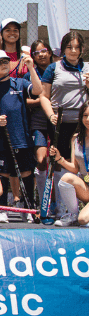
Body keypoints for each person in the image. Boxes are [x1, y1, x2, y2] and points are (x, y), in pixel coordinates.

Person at [0, 49, 45, 223]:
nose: (3, 65)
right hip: (1, 137)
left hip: (22, 137)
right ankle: (2, 209)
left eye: (5, 62)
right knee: (3, 173)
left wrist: (31, 68)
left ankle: (27, 208)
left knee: (26, 172)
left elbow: (38, 90)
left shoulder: (20, 82)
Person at [40, 31, 89, 197]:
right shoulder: (53, 68)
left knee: (78, 161)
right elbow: (43, 96)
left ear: (82, 49)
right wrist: (50, 115)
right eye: (69, 47)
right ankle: (60, 206)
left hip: (82, 124)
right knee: (59, 161)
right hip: (59, 124)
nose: (73, 51)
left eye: (76, 47)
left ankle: (78, 202)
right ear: (63, 49)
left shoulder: (88, 68)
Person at [49, 101, 89, 227]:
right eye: (85, 115)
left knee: (84, 221)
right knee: (65, 178)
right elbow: (75, 168)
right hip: (85, 186)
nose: (88, 119)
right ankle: (73, 215)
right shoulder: (76, 138)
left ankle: (81, 216)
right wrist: (59, 158)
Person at [25, 40, 54, 210]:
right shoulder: (30, 74)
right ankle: (43, 203)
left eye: (44, 50)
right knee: (41, 161)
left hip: (57, 120)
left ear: (50, 52)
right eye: (37, 52)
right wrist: (41, 101)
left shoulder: (58, 70)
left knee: (58, 162)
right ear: (33, 57)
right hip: (38, 122)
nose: (41, 54)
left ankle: (57, 203)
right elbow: (24, 100)